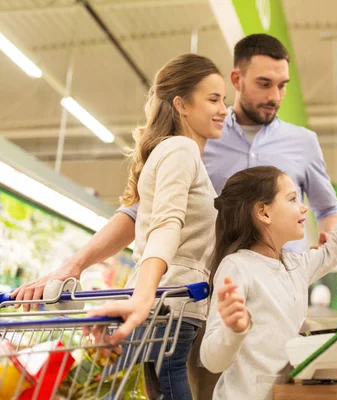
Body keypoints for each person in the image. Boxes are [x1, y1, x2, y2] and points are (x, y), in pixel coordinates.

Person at [11, 33, 337, 399]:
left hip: (273, 308)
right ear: (237, 80)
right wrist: (79, 266)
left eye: (282, 85)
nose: (275, 96)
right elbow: (153, 219)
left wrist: (324, 243)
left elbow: (328, 209)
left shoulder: (302, 142)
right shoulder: (197, 142)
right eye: (264, 83)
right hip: (202, 302)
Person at [22, 54, 227, 400]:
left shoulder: (177, 153)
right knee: (127, 385)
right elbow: (166, 223)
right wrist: (145, 295)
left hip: (170, 305)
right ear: (181, 105)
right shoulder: (181, 149)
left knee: (125, 386)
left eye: (224, 99)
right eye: (213, 99)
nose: (224, 108)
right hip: (167, 304)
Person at [200, 166, 337, 400]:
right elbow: (212, 361)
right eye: (292, 199)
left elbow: (334, 250)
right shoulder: (237, 267)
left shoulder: (295, 265)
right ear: (264, 213)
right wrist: (233, 331)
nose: (303, 207)